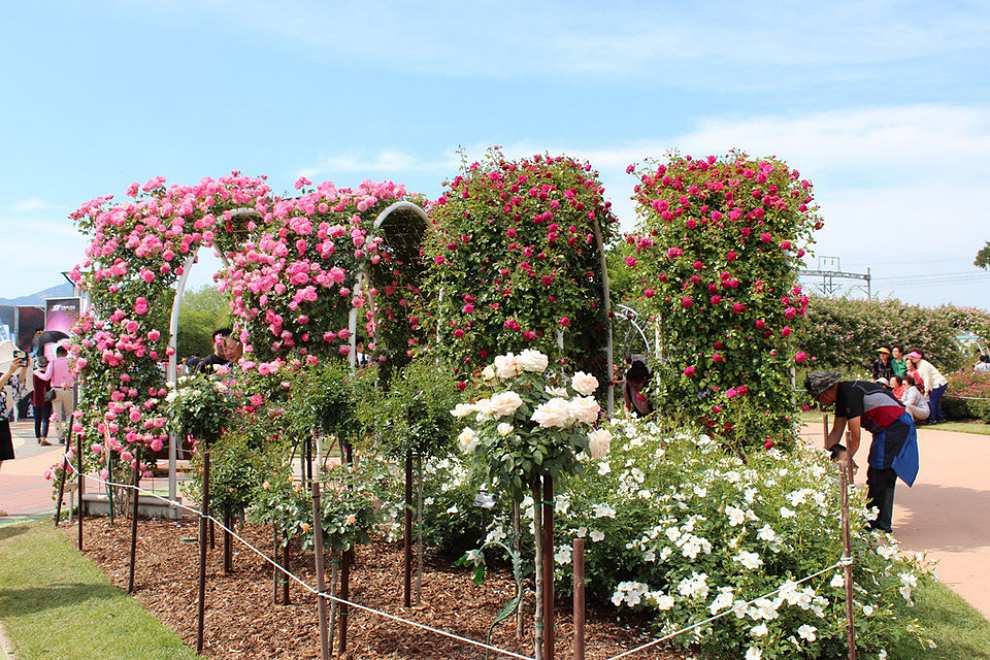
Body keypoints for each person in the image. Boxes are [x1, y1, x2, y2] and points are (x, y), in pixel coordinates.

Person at [805, 371, 919, 534]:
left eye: (818, 396)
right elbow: (837, 430)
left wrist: (846, 457)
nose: (819, 401)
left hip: (896, 426)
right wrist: (823, 456)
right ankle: (871, 520)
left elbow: (855, 437)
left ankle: (880, 526)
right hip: (884, 430)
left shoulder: (849, 394)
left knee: (881, 472)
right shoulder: (842, 396)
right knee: (875, 472)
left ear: (827, 390)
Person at [34, 346, 75, 443]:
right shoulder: (71, 362)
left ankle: (60, 436)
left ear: (57, 354)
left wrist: (37, 373)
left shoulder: (53, 362)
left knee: (57, 415)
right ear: (66, 353)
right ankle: (69, 436)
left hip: (56, 391)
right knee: (69, 414)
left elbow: (46, 377)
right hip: (68, 389)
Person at [1, 349, 30, 472]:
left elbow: (18, 384)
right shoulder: (5, 374)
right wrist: (9, 371)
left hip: (1, 420)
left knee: (1, 456)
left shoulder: (3, 374)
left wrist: (24, 368)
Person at [906, 351, 948, 424]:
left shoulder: (924, 365)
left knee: (933, 402)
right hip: (936, 385)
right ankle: (941, 418)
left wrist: (926, 391)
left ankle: (933, 420)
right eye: (911, 357)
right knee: (935, 402)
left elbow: (927, 379)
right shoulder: (919, 364)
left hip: (938, 384)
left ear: (919, 357)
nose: (912, 358)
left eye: (914, 357)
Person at [32, 355, 52, 445]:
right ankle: (44, 438)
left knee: (37, 419)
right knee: (45, 419)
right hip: (46, 399)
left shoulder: (33, 374)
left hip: (35, 399)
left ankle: (38, 437)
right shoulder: (48, 374)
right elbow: (49, 386)